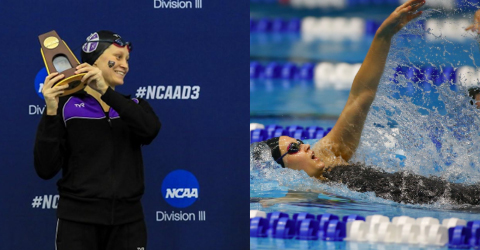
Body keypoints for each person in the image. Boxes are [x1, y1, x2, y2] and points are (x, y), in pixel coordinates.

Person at [34, 30, 161, 250]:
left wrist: (105, 92)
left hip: (128, 223)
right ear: (92, 63)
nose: (125, 65)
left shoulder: (135, 106)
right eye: (117, 57)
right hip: (77, 223)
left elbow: (149, 131)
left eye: (127, 60)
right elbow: (45, 168)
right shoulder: (66, 107)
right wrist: (51, 111)